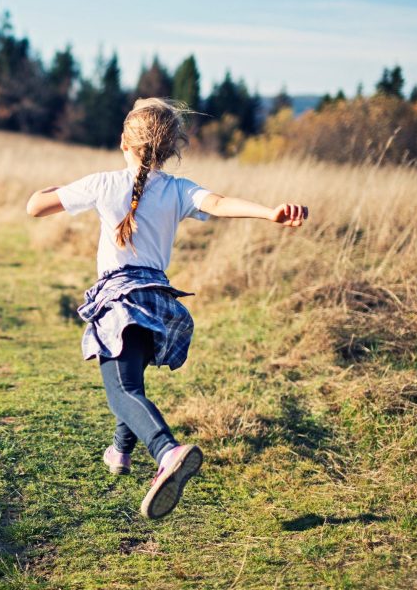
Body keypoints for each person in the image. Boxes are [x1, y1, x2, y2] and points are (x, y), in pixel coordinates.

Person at [26, 98, 308, 519]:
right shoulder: (179, 189)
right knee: (131, 378)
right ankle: (120, 452)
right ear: (170, 149)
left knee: (122, 391)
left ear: (124, 141)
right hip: (157, 300)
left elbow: (35, 207)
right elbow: (220, 203)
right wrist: (270, 213)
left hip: (119, 298)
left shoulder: (103, 183)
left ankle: (167, 452)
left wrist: (49, 191)